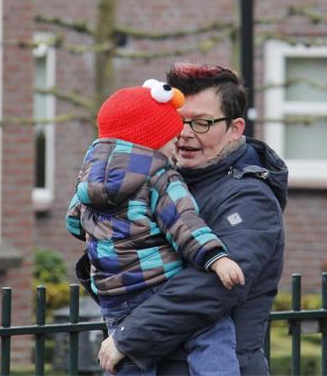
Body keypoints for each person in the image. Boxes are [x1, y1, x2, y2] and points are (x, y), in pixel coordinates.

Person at [98, 63, 288, 375]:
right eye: (178, 121)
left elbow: (216, 284)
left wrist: (128, 336)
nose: (185, 134)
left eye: (201, 123)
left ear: (235, 129)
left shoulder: (251, 198)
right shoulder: (156, 186)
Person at [66, 79, 246, 376]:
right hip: (156, 284)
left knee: (130, 359)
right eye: (172, 136)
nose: (178, 141)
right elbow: (184, 223)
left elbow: (74, 222)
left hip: (113, 296)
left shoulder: (89, 178)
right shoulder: (161, 177)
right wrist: (216, 258)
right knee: (212, 332)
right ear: (154, 140)